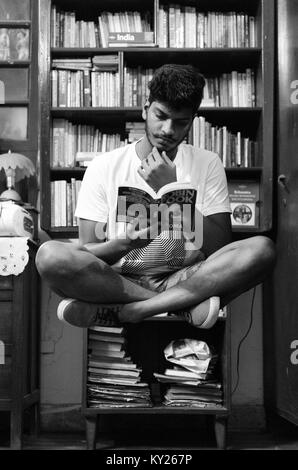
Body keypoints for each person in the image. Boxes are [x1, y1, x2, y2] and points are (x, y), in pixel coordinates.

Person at [36, 64, 276, 329]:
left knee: (261, 251)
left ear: (192, 121)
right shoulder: (104, 166)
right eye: (160, 115)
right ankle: (178, 307)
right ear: (145, 108)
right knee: (50, 256)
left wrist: (172, 192)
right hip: (118, 282)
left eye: (180, 122)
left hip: (186, 278)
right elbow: (89, 251)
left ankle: (135, 311)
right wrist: (122, 244)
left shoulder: (208, 163)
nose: (167, 130)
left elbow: (218, 249)